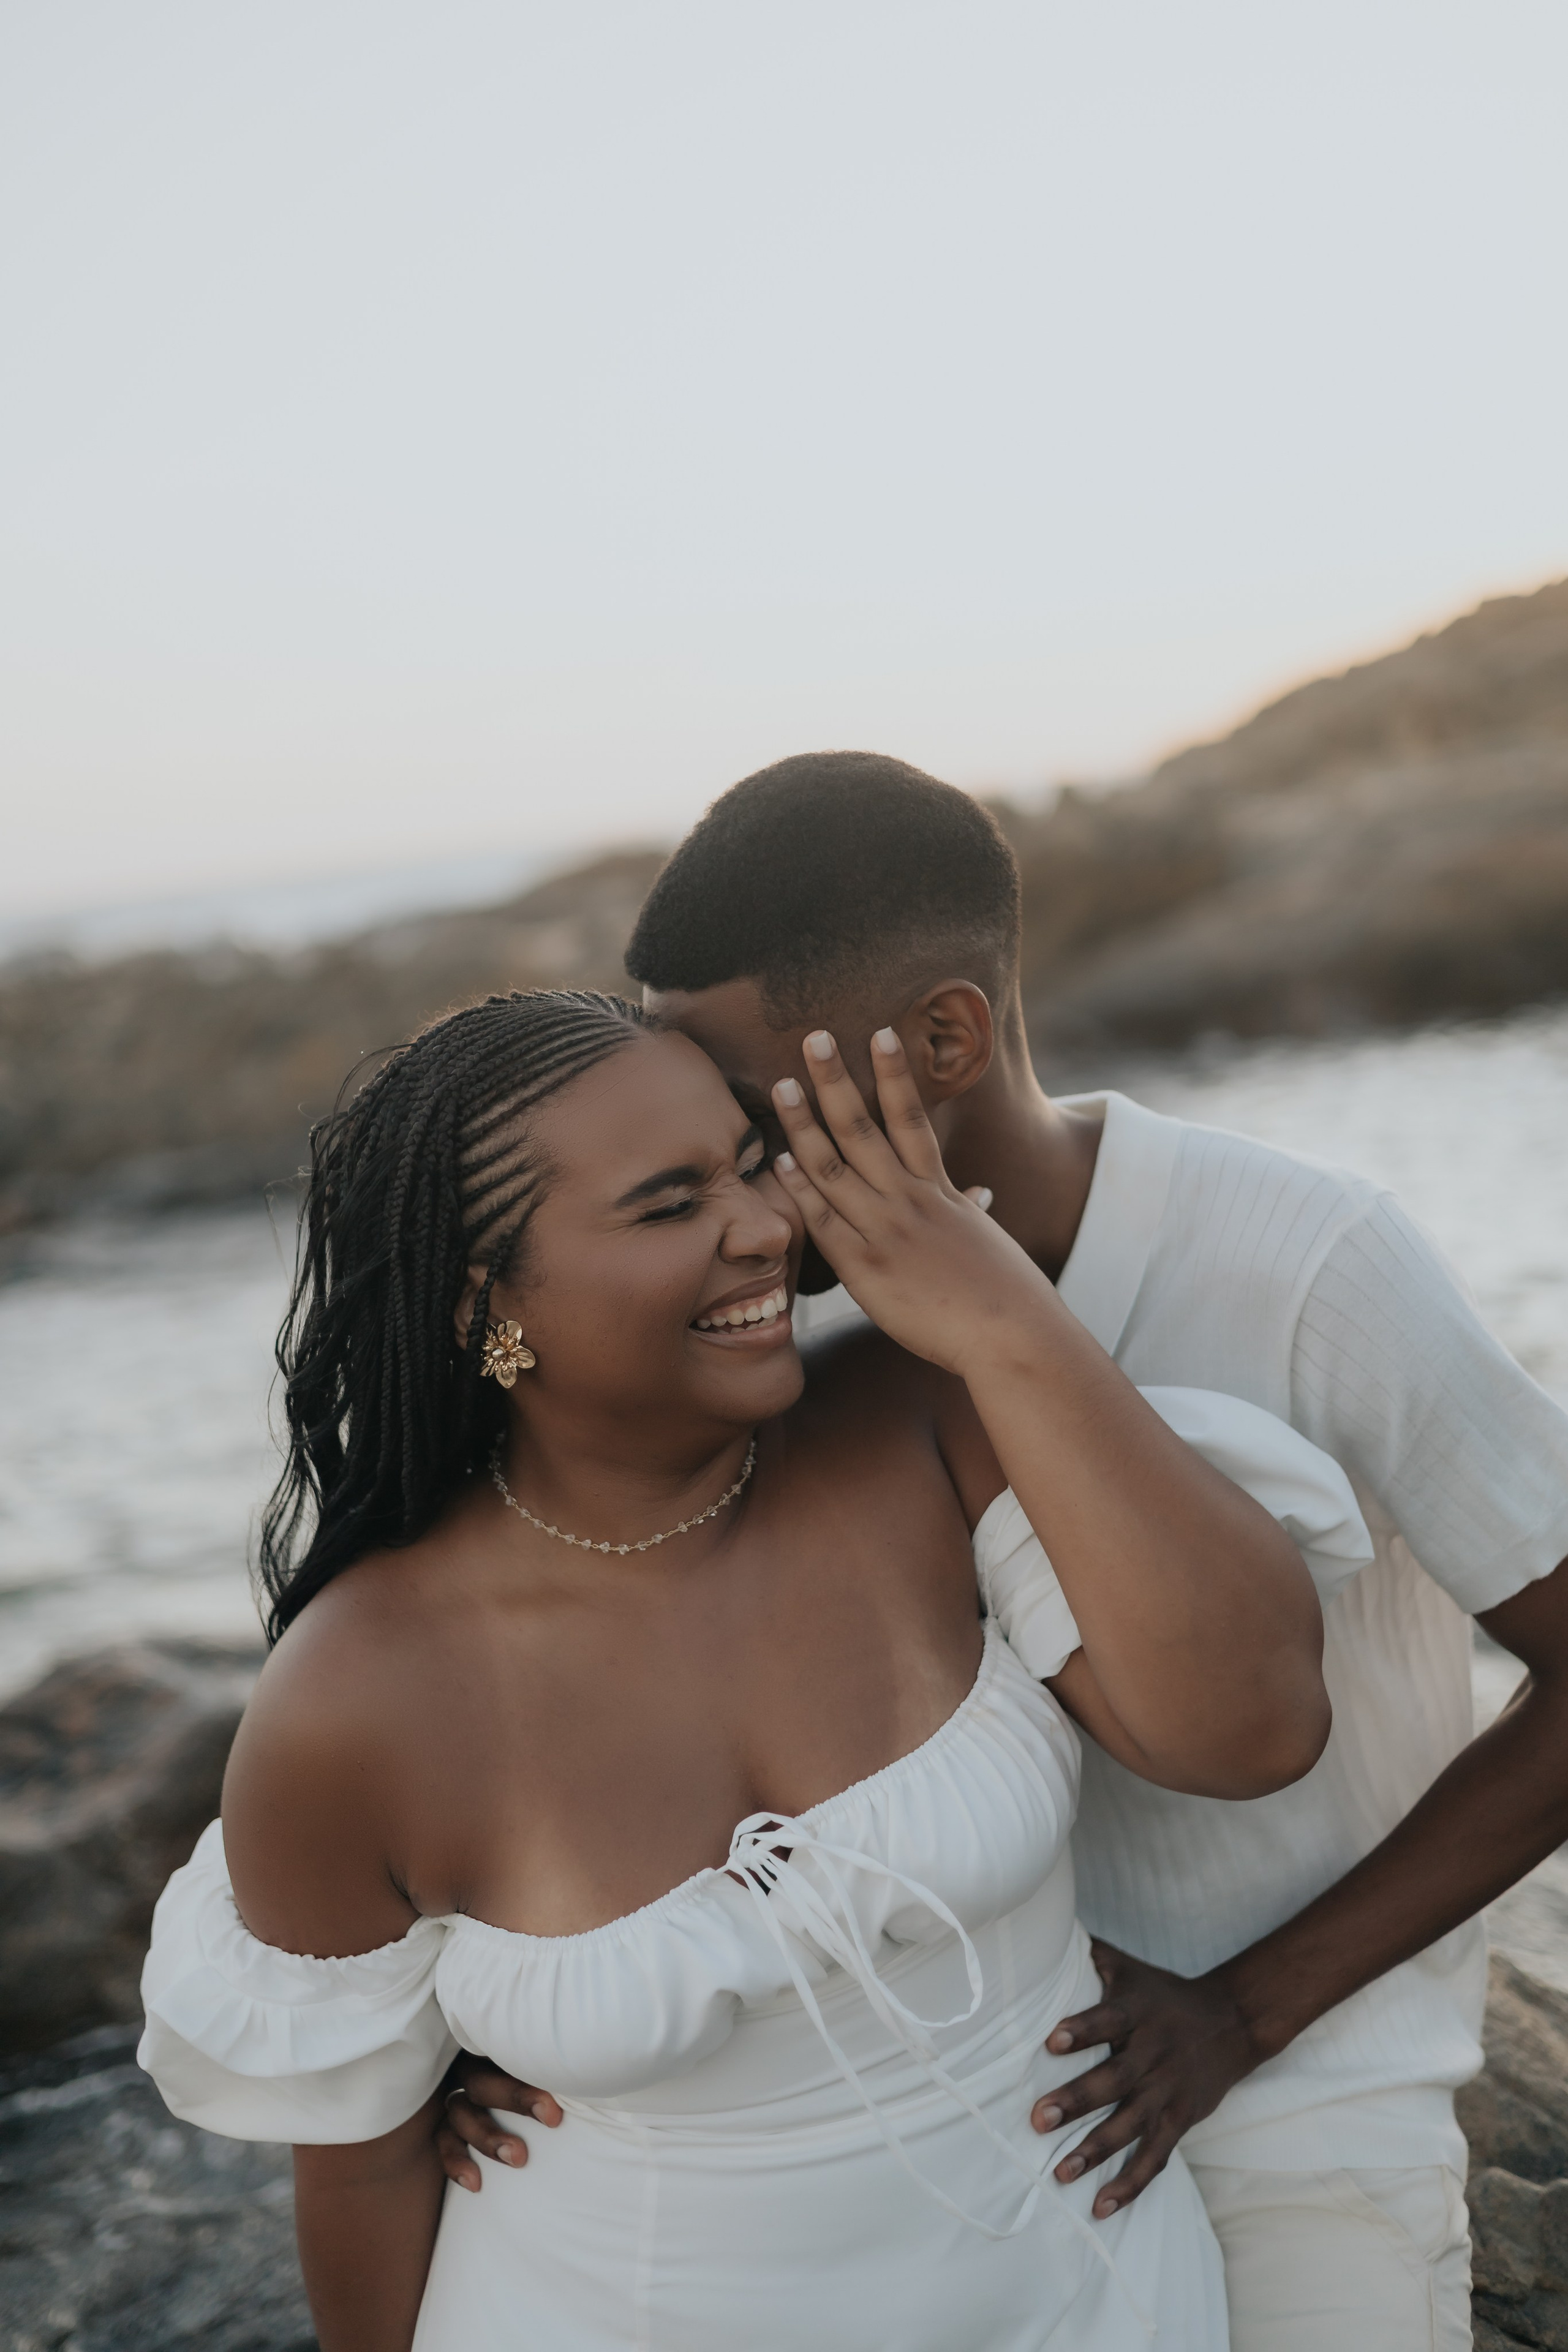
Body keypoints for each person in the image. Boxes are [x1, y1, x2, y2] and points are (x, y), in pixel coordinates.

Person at [439, 756, 1568, 2352]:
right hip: (958, 2130)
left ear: (948, 1039)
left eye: (754, 1122)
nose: (738, 1199)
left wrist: (1244, 2012)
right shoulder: (777, 1336)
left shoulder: (1309, 1259)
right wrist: (530, 2000)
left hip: (1302, 2097)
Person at [138, 984, 1349, 2351]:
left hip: (1097, 2297)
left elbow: (1253, 1730)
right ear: (488, 1301)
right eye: (669, 1204)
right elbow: (356, 2166)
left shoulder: (922, 1421)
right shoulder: (351, 1701)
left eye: (747, 1162)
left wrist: (1003, 1318)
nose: (767, 1227)